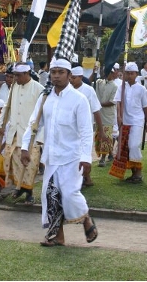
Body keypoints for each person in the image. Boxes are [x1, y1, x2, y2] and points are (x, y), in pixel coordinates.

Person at [21, 57, 97, 247]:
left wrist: (86, 158)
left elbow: (87, 132)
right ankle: (57, 236)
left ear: (69, 75)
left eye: (60, 72)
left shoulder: (79, 100)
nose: (56, 76)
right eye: (53, 72)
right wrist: (25, 148)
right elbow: (33, 124)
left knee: (70, 194)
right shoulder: (45, 98)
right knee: (51, 196)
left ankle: (86, 218)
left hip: (73, 157)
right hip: (52, 158)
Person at [0, 62, 44, 204]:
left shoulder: (39, 89)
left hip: (31, 135)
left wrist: (41, 136)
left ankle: (28, 192)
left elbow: (44, 115)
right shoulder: (14, 87)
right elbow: (7, 106)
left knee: (30, 164)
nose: (15, 78)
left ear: (26, 74)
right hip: (14, 132)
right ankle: (21, 188)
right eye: (14, 75)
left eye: (17, 75)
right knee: (15, 163)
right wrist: (1, 124)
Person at [111, 62, 147, 183]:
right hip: (125, 120)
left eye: (131, 73)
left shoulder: (142, 89)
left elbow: (146, 107)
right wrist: (118, 116)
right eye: (127, 73)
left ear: (136, 74)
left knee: (134, 145)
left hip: (138, 121)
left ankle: (138, 173)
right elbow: (118, 102)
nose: (129, 76)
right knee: (127, 147)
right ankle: (134, 173)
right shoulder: (121, 87)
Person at [70, 65, 108, 188]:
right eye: (70, 77)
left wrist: (101, 130)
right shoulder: (67, 89)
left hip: (84, 129)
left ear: (81, 77)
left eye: (74, 78)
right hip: (70, 129)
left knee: (83, 154)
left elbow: (96, 111)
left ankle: (85, 177)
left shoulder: (88, 90)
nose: (71, 80)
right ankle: (80, 179)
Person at [94, 64, 119, 167]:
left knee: (106, 136)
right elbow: (91, 82)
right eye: (106, 71)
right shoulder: (100, 82)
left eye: (109, 72)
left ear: (113, 74)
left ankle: (103, 159)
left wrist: (98, 104)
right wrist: (94, 71)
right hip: (99, 115)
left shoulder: (115, 86)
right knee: (100, 136)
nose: (107, 73)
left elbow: (112, 102)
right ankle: (110, 154)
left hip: (108, 115)